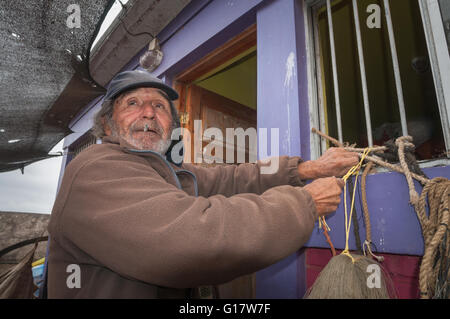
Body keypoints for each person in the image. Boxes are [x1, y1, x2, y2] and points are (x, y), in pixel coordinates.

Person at [47, 70, 359, 298]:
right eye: (132, 103)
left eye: (159, 106)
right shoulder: (96, 169)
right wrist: (305, 203)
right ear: (107, 124)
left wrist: (306, 167)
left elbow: (233, 177)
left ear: (171, 125)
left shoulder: (167, 170)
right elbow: (193, 239)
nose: (148, 113)